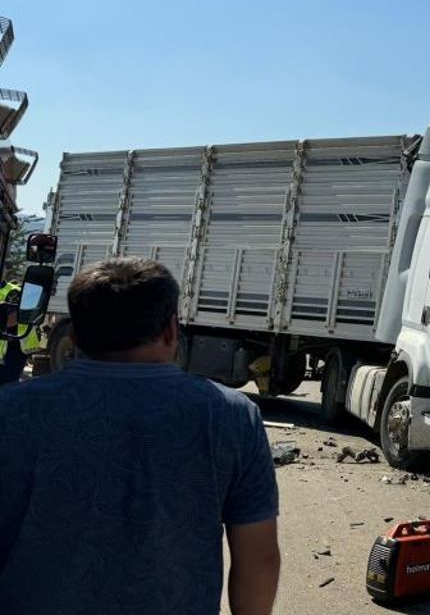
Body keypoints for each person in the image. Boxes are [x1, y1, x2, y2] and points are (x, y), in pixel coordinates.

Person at [0, 257, 281, 614]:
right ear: (171, 331)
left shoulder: (12, 411)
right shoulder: (231, 415)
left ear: (74, 337)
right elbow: (259, 558)